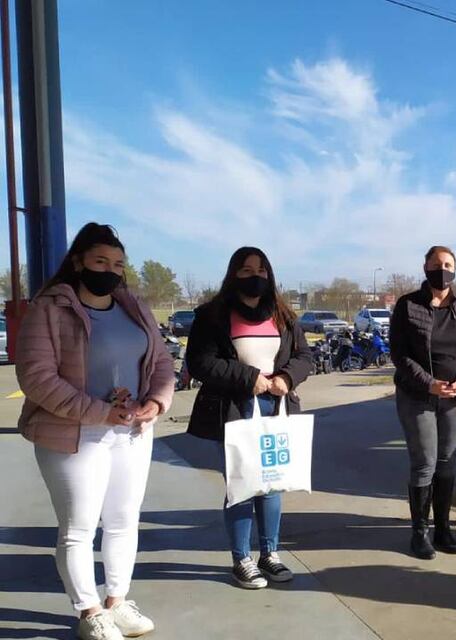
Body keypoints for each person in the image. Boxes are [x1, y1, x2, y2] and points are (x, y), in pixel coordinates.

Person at [16, 223, 174, 640]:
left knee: (124, 520)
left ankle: (117, 601)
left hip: (132, 432)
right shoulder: (49, 309)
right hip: (73, 435)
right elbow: (37, 378)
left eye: (118, 263)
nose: (110, 270)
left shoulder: (133, 307)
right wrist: (100, 412)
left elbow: (161, 363)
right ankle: (89, 610)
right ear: (78, 262)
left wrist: (156, 402)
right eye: (101, 260)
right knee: (79, 527)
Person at [185, 247, 312, 589]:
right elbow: (200, 362)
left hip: (276, 407)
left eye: (261, 270)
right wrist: (248, 377)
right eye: (246, 270)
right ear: (233, 275)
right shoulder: (213, 315)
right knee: (241, 486)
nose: (255, 276)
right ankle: (241, 559)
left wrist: (286, 378)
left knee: (271, 484)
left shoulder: (284, 315)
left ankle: (269, 554)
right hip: (233, 411)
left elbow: (304, 356)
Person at [390, 245, 456, 559]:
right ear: (425, 268)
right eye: (436, 264)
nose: (442, 269)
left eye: (448, 264)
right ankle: (420, 532)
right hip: (418, 397)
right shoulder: (408, 305)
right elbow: (400, 355)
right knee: (424, 464)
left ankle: (443, 528)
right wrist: (429, 384)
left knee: (447, 463)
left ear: (455, 270)